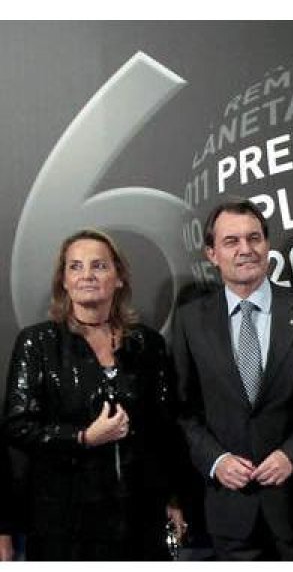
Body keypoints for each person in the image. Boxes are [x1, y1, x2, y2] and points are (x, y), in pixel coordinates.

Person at [2, 229, 182, 560]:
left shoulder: (147, 344)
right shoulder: (37, 343)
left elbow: (163, 430)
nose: (87, 275)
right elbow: (18, 426)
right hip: (64, 522)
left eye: (99, 266)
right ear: (64, 282)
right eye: (75, 267)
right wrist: (84, 437)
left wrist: (172, 498)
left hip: (139, 520)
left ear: (119, 278)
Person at [170, 200, 293, 560]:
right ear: (212, 253)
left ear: (267, 245)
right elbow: (182, 409)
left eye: (254, 238)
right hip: (229, 510)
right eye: (231, 241)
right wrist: (216, 459)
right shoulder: (190, 321)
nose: (245, 250)